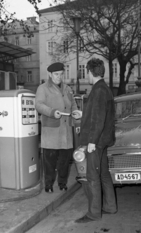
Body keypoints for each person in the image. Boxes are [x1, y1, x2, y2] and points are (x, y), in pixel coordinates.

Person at [75, 58, 117, 223]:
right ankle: (110, 207)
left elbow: (98, 118)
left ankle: (93, 213)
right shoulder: (104, 88)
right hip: (103, 139)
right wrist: (83, 114)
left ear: (90, 73)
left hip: (96, 141)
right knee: (104, 174)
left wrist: (91, 142)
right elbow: (97, 114)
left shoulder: (98, 90)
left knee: (92, 176)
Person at [35, 62, 81, 193]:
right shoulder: (43, 88)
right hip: (51, 132)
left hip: (66, 131)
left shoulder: (67, 88)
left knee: (64, 162)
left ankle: (62, 183)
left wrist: (76, 112)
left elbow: (73, 104)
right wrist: (51, 112)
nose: (59, 77)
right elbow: (38, 105)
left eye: (61, 74)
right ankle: (48, 185)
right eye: (56, 74)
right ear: (49, 74)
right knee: (49, 161)